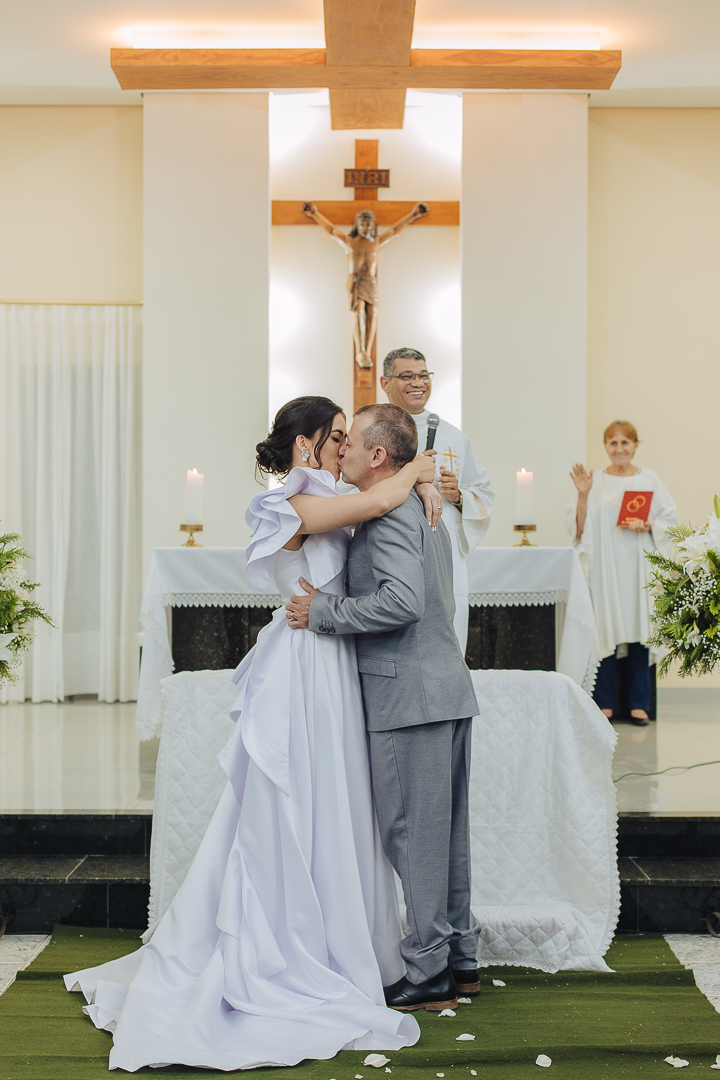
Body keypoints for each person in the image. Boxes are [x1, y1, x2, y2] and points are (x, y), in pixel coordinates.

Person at [64, 395, 444, 1071]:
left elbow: (377, 513)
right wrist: (417, 473)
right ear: (304, 444)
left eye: (347, 438)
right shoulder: (283, 504)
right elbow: (377, 502)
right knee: (293, 799)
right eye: (334, 436)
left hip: (335, 656)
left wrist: (419, 483)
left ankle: (345, 941)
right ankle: (282, 945)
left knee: (338, 797)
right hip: (303, 664)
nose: (342, 447)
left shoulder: (338, 496)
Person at [286, 404, 481, 1013]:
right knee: (444, 836)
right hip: (441, 687)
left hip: (408, 694)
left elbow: (402, 602)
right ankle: (461, 959)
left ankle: (428, 972)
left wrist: (324, 612)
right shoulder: (416, 502)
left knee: (413, 835)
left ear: (377, 455)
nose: (341, 451)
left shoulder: (391, 511)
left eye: (350, 443)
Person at [379, 347, 494, 653]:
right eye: (407, 376)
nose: (418, 383)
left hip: (443, 546)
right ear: (385, 382)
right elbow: (349, 488)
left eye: (423, 375)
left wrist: (459, 496)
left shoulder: (453, 436)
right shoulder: (371, 429)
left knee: (446, 630)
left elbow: (483, 493)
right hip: (390, 542)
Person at [567, 420, 677, 726]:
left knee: (641, 629)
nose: (619, 449)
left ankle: (639, 703)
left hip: (641, 567)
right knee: (606, 630)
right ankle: (605, 702)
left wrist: (650, 525)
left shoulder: (650, 479)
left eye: (625, 442)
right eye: (612, 443)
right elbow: (579, 531)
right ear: (605, 447)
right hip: (606, 569)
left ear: (635, 445)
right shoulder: (595, 480)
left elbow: (670, 520)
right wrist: (583, 495)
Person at [301, 203, 428, 370]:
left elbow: (394, 231)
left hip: (370, 281)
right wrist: (314, 214)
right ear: (357, 224)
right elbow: (332, 231)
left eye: (368, 223)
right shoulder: (350, 242)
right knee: (359, 312)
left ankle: (366, 351)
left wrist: (413, 215)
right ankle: (360, 351)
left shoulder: (376, 242)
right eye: (362, 223)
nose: (366, 226)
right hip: (356, 280)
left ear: (372, 225)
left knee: (372, 314)